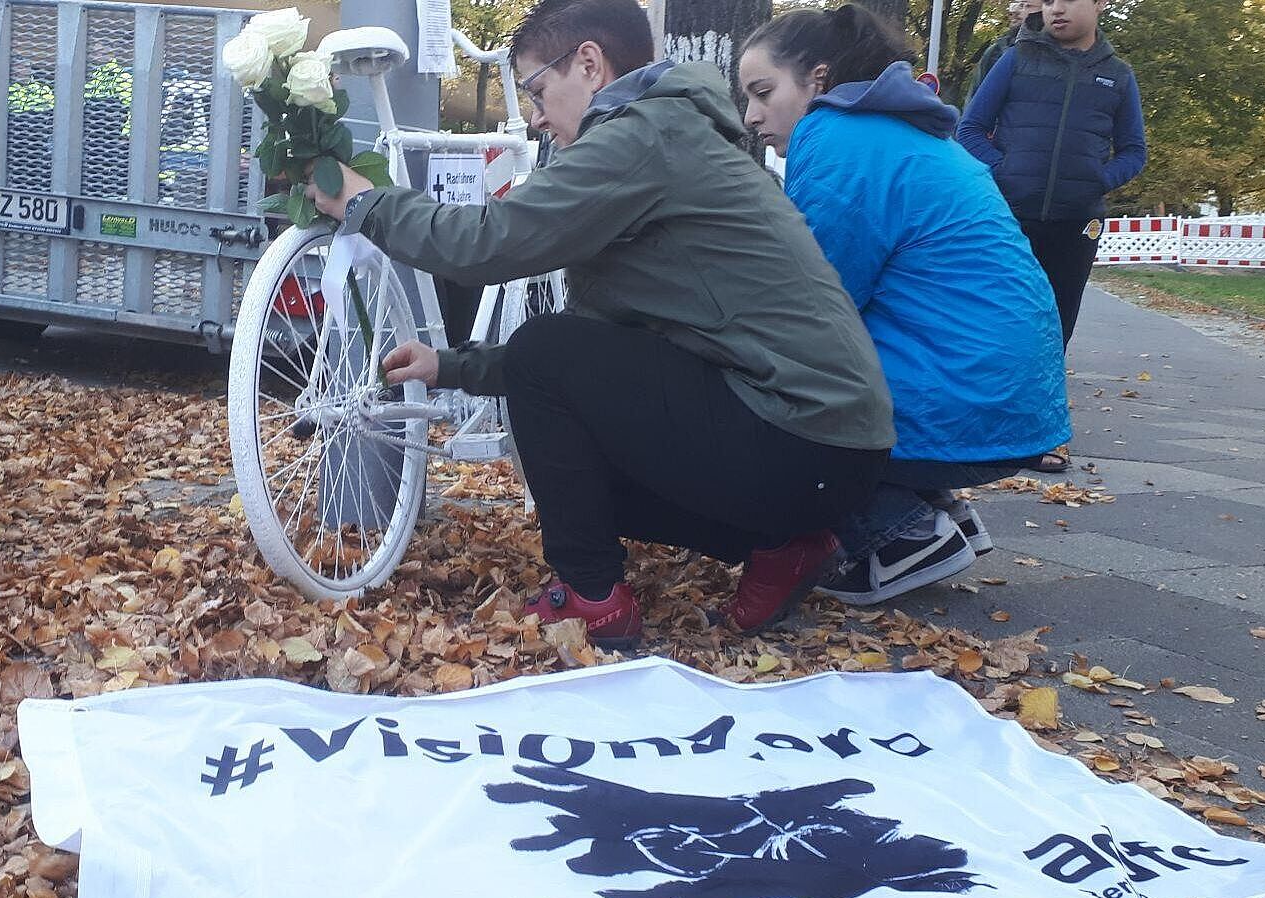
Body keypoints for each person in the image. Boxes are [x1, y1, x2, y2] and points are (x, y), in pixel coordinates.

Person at [310, 0, 895, 646]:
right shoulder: (671, 133)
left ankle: (593, 598)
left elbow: (490, 243)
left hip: (799, 435)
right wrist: (449, 366)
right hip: (830, 449)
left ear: (589, 64)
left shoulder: (640, 136)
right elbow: (606, 353)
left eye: (538, 89)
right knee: (577, 453)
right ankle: (782, 544)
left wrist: (365, 204)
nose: (534, 116)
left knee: (544, 352)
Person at [738, 4, 1070, 605]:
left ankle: (898, 533)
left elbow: (819, 299)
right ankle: (935, 508)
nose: (752, 115)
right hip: (1006, 397)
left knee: (760, 383)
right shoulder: (902, 132)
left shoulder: (837, 137)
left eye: (763, 92)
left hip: (966, 398)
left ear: (817, 78)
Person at [956, 0, 1147, 352]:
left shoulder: (1118, 76)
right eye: (1047, 1)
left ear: (1100, 4)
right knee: (996, 321)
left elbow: (1134, 151)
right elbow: (969, 129)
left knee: (1056, 329)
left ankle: (1040, 401)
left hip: (1075, 224)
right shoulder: (1015, 60)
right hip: (1010, 217)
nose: (1056, 9)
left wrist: (1097, 181)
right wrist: (1004, 171)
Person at [964, 0, 1040, 107]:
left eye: (1023, 5)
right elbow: (974, 102)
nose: (1014, 12)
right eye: (1013, 5)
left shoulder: (1057, 51)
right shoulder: (995, 52)